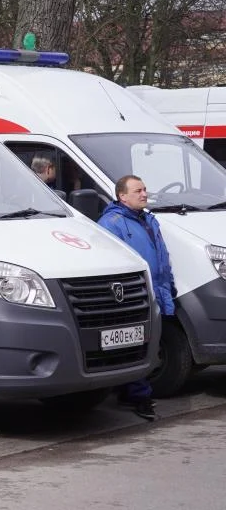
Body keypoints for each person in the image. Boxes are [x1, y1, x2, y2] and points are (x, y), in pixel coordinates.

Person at [97, 174, 174, 421]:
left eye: (144, 189)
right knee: (136, 345)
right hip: (133, 296)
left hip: (156, 291)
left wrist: (169, 285)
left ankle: (132, 393)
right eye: (138, 191)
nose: (144, 194)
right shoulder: (111, 223)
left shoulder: (149, 219)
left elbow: (162, 257)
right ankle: (138, 397)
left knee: (147, 344)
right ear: (122, 196)